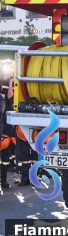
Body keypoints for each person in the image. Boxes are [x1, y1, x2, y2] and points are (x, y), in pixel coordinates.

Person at [0, 59, 15, 188]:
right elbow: (9, 97)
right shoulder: (4, 82)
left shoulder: (11, 81)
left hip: (7, 118)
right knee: (4, 145)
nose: (13, 70)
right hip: (3, 118)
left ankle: (3, 179)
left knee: (6, 146)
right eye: (11, 68)